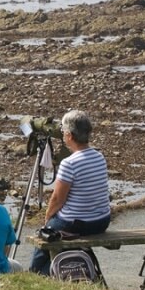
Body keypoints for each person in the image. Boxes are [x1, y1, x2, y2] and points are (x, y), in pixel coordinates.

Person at [29, 109, 111, 275]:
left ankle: (34, 273)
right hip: (102, 221)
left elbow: (58, 199)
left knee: (44, 237)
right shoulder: (99, 157)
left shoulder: (69, 163)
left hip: (78, 223)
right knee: (52, 234)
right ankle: (57, 273)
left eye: (64, 132)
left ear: (69, 136)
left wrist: (48, 220)